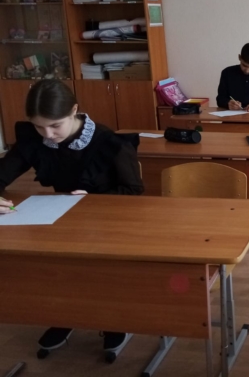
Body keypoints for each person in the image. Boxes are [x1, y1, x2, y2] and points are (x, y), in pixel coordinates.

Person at [0, 79, 143, 356]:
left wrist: (94, 200)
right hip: (62, 220)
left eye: (55, 125)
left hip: (109, 222)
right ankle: (67, 314)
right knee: (57, 268)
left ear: (74, 110)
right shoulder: (37, 139)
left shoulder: (107, 142)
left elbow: (133, 190)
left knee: (99, 270)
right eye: (39, 126)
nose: (48, 134)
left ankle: (115, 319)